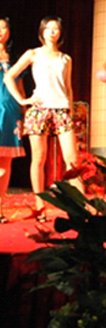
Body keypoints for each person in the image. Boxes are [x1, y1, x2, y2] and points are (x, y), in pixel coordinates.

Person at [3, 16, 83, 222]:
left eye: (56, 29)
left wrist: (70, 108)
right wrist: (23, 100)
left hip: (62, 110)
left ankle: (81, 206)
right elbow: (9, 76)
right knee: (39, 158)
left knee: (72, 160)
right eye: (48, 28)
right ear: (42, 31)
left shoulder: (66, 59)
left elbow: (68, 86)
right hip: (39, 109)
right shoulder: (33, 54)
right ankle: (40, 206)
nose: (52, 32)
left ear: (60, 33)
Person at [0, 18, 25, 223]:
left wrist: (23, 113)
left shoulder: (16, 58)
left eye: (3, 27)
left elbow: (20, 87)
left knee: (5, 161)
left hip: (11, 111)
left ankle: (0, 207)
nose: (0, 31)